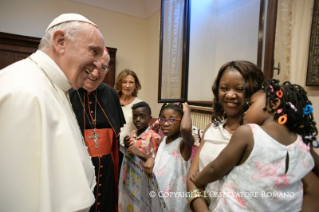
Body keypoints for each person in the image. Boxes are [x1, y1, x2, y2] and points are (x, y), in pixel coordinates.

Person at [0, 13, 105, 212]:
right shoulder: (23, 92)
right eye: (94, 51)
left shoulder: (57, 86)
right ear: (60, 41)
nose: (99, 66)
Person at [190, 79, 318, 211]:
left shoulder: (248, 133)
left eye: (251, 104)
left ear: (273, 104)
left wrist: (199, 179)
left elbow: (214, 169)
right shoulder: (303, 143)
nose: (245, 111)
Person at [187, 61, 265, 211]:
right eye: (224, 88)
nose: (230, 95)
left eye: (239, 89)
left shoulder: (261, 136)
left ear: (254, 92)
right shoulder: (211, 129)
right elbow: (193, 176)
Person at [69, 48, 125, 212]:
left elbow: (116, 133)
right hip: (77, 165)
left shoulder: (111, 93)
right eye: (91, 66)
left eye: (103, 67)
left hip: (107, 166)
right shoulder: (67, 91)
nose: (95, 73)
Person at [144, 102, 195, 212]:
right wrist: (151, 159)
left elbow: (186, 129)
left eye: (172, 120)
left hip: (174, 200)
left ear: (181, 121)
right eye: (163, 119)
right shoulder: (163, 140)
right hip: (158, 195)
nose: (166, 124)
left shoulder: (184, 145)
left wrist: (187, 111)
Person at [114, 69, 142, 163]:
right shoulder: (112, 101)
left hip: (129, 149)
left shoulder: (140, 105)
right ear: (119, 84)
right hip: (112, 147)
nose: (127, 86)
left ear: (136, 85)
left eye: (131, 82)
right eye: (124, 82)